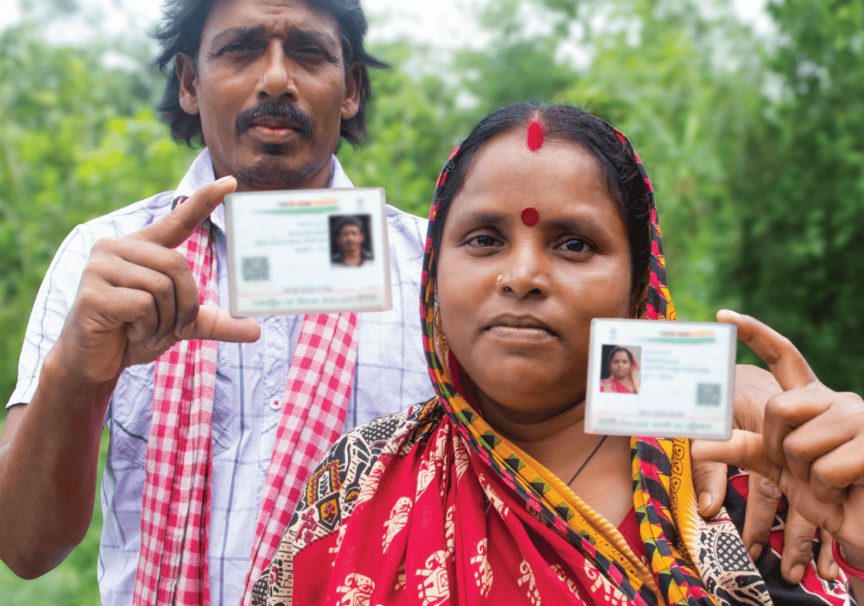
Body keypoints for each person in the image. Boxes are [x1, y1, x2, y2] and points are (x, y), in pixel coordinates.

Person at [0, 0, 828, 602]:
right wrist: (78, 373)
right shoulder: (106, 266)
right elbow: (24, 547)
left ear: (348, 90)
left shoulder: (444, 271)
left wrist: (751, 397)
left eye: (309, 53)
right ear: (190, 82)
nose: (276, 78)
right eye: (239, 49)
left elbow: (623, 388)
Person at [252, 103, 864, 604]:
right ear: (434, 281)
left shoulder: (742, 472)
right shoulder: (362, 478)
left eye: (574, 244)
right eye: (485, 239)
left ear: (637, 290)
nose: (522, 275)